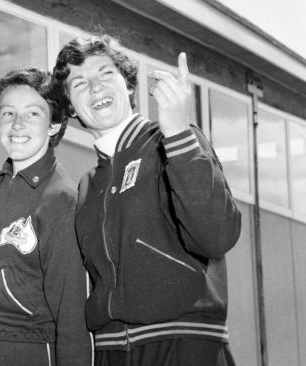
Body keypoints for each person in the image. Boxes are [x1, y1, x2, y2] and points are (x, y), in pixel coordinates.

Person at [52, 34, 242, 366]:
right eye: (79, 83)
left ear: (127, 85)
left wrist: (179, 133)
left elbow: (217, 236)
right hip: (111, 351)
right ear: (71, 107)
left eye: (105, 73)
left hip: (183, 345)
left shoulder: (176, 140)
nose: (95, 87)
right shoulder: (86, 187)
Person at [0, 68, 92, 366]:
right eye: (8, 113)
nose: (18, 124)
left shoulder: (62, 200)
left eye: (33, 114)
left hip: (34, 350)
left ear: (55, 124)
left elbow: (73, 312)